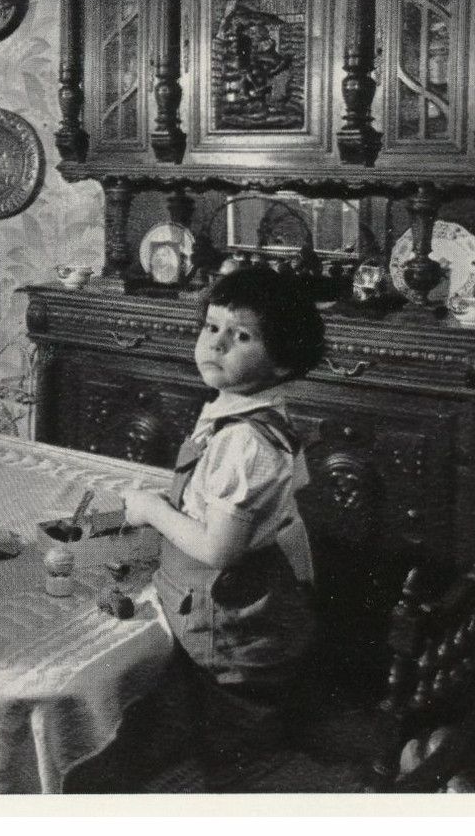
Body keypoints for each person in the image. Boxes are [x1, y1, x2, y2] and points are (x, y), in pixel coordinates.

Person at [120, 266, 325, 777]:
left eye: (242, 335)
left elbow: (217, 551)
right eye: (212, 327)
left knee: (232, 738)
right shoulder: (242, 410)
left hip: (225, 611)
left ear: (281, 362)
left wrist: (153, 510)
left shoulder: (244, 441)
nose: (217, 344)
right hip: (230, 590)